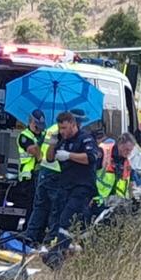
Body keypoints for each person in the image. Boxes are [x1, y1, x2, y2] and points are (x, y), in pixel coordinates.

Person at [43, 111, 98, 270]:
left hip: (82, 187)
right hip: (65, 186)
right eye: (60, 128)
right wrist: (53, 143)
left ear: (73, 125)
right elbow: (50, 158)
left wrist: (69, 155)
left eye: (65, 128)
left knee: (66, 219)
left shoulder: (85, 138)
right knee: (82, 222)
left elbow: (91, 158)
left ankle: (57, 255)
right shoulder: (61, 139)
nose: (62, 131)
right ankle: (91, 251)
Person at [16, 109, 46, 226]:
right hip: (28, 177)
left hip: (40, 176)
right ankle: (27, 230)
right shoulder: (24, 136)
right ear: (31, 122)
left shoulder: (44, 134)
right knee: (31, 206)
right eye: (37, 125)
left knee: (39, 206)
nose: (40, 128)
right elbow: (33, 150)